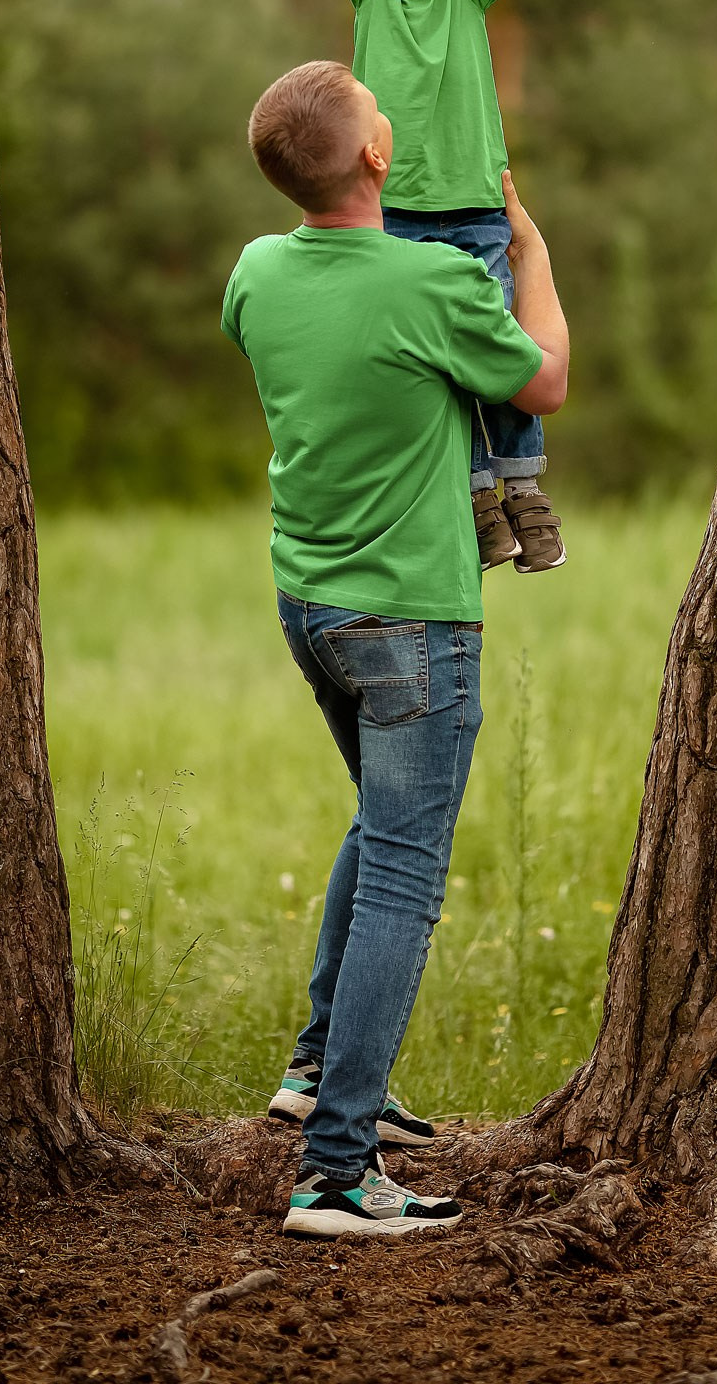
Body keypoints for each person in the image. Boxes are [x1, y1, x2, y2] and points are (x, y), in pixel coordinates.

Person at [221, 60, 569, 1238]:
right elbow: (546, 379)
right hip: (413, 619)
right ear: (375, 156)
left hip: (309, 608)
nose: (391, 114)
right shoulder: (433, 281)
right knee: (405, 876)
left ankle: (318, 1069)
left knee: (380, 826)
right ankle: (333, 1172)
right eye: (380, 106)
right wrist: (528, 244)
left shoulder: (256, 271)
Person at [336, 0, 566, 576]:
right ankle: (473, 498)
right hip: (392, 213)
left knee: (495, 350)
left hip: (472, 207)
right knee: (430, 367)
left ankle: (523, 489)